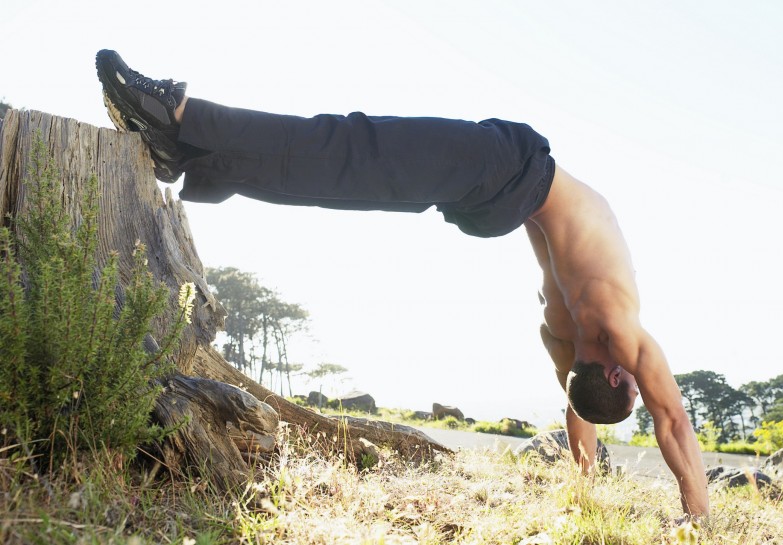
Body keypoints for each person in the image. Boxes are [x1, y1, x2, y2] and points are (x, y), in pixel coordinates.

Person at [95, 49, 709, 516]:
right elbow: (600, 416)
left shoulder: (603, 326)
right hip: (498, 198)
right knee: (349, 179)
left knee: (354, 148)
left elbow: (670, 421)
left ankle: (177, 115)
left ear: (614, 374)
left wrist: (696, 513)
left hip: (510, 172)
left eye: (630, 384)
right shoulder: (567, 342)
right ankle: (192, 155)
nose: (638, 379)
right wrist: (601, 488)